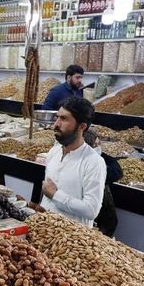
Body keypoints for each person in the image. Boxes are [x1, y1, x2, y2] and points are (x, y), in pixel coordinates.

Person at [39, 97, 107, 227]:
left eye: (64, 119)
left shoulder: (94, 162)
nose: (56, 124)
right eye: (57, 117)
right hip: (44, 230)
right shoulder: (54, 152)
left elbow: (91, 210)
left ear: (82, 126)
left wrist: (56, 195)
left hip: (71, 240)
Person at [83, 131, 124, 236]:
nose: (98, 147)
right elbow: (117, 172)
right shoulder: (94, 167)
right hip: (93, 222)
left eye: (99, 144)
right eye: (95, 145)